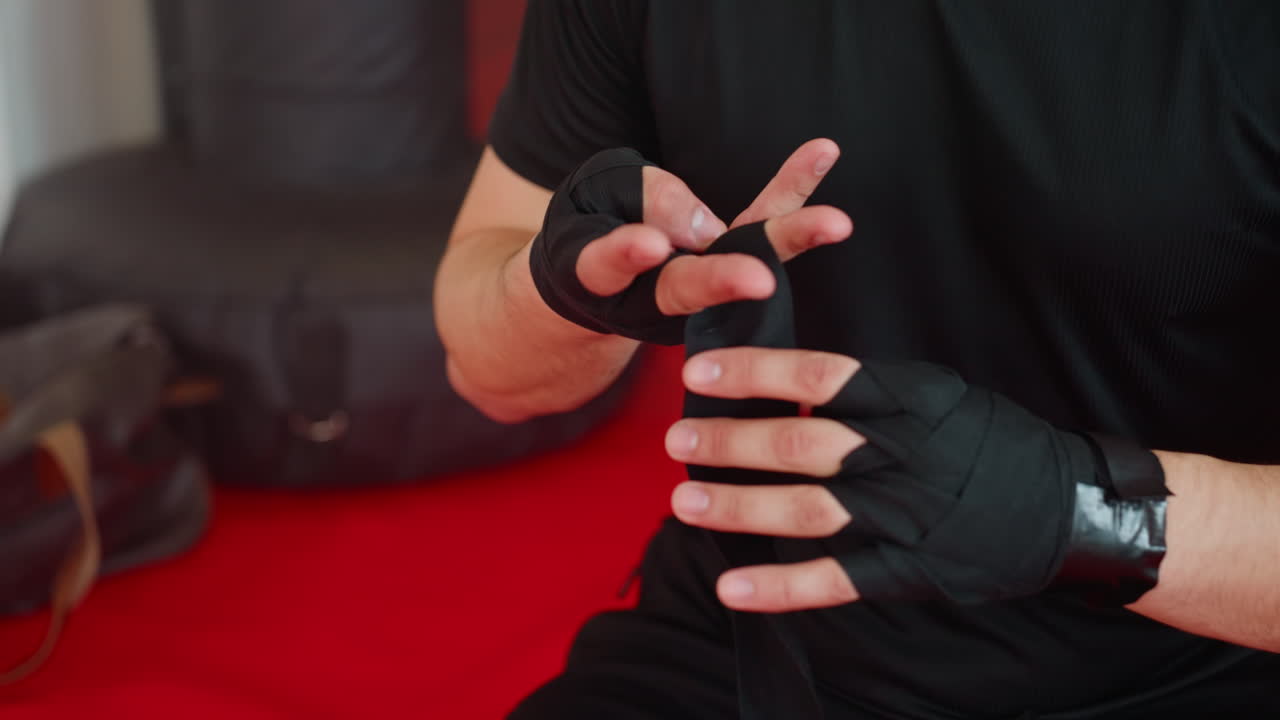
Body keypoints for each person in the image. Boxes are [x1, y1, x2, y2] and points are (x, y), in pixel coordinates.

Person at [434, 2, 1280, 717]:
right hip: (743, 640)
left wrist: (1081, 513)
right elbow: (488, 373)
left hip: (1187, 670)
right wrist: (563, 288)